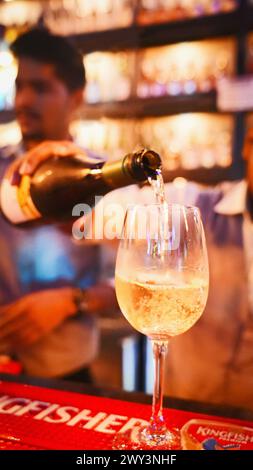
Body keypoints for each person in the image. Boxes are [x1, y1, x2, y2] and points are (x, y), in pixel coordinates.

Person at [0, 28, 117, 382]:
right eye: (20, 86)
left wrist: (71, 300)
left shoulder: (104, 177)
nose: (22, 101)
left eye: (40, 88)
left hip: (68, 371)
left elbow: (129, 285)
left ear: (76, 97)